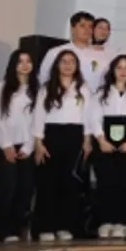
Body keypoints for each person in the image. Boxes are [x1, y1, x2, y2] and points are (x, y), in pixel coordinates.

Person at [32, 49, 93, 241]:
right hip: (51, 135)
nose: (68, 65)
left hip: (75, 135)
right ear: (57, 65)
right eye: (64, 61)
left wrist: (87, 140)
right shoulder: (47, 88)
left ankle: (65, 225)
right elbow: (39, 115)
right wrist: (38, 141)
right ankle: (45, 227)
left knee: (70, 183)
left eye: (72, 61)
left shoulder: (83, 88)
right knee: (48, 182)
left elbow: (88, 116)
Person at [0, 50, 38, 243]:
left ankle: (13, 229)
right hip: (5, 144)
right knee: (5, 187)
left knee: (24, 188)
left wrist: (29, 146)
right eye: (20, 61)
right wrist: (6, 145)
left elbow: (38, 121)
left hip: (27, 146)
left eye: (28, 61)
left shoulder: (37, 91)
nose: (25, 65)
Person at [90, 55, 126, 239]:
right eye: (119, 67)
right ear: (112, 70)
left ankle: (122, 222)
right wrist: (101, 139)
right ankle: (106, 221)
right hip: (104, 143)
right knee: (106, 182)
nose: (123, 72)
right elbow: (93, 118)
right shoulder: (101, 93)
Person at [38, 11, 107, 91]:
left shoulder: (100, 54)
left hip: (94, 98)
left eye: (90, 26)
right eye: (82, 26)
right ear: (72, 28)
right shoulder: (55, 52)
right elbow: (43, 79)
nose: (87, 30)